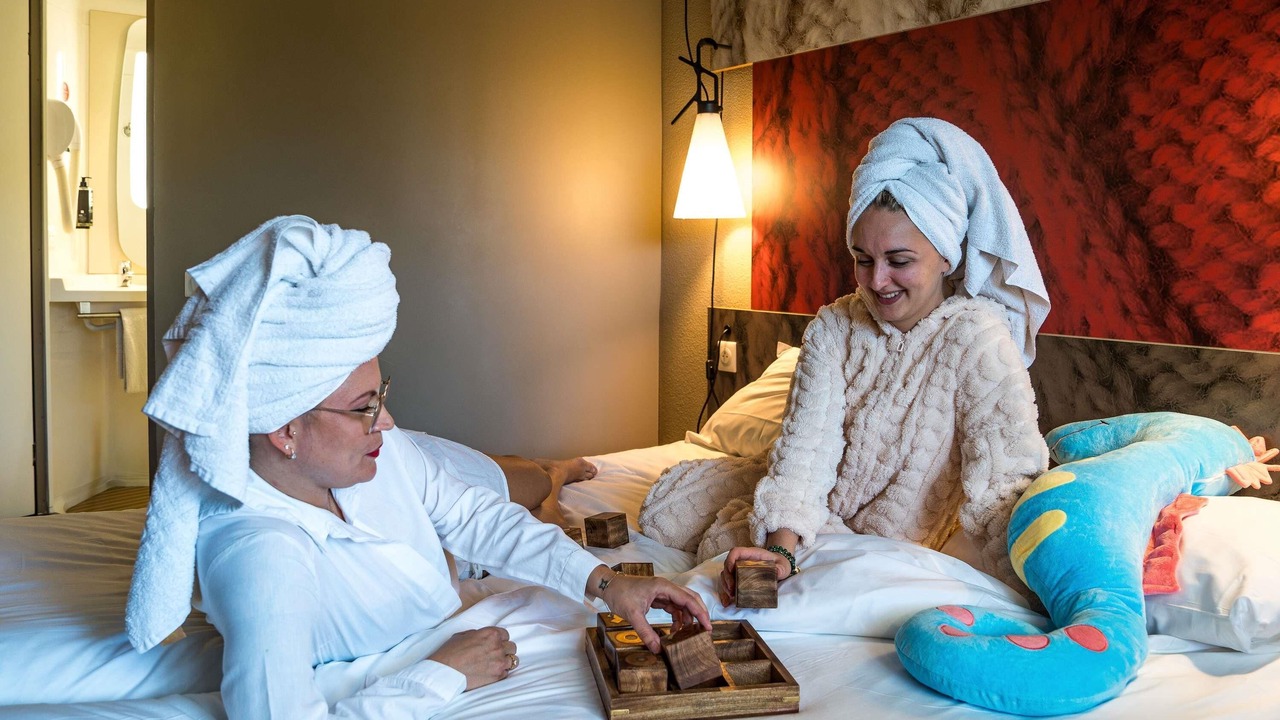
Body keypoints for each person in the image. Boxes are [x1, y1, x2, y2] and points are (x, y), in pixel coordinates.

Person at [124, 215, 710, 718]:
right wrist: (441, 671)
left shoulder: (372, 447)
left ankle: (553, 473)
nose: (386, 421)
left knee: (519, 480)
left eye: (381, 395)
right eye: (363, 408)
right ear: (284, 430)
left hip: (443, 500)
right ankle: (550, 479)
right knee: (517, 484)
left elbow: (477, 515)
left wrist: (607, 583)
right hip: (448, 559)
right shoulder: (261, 560)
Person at [639, 117, 1052, 602]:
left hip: (907, 544)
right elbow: (805, 451)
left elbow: (1005, 481)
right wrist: (784, 550)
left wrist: (1031, 587)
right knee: (665, 517)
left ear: (946, 255)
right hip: (820, 514)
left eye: (899, 261)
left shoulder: (979, 337)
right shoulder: (835, 327)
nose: (877, 282)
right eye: (862, 258)